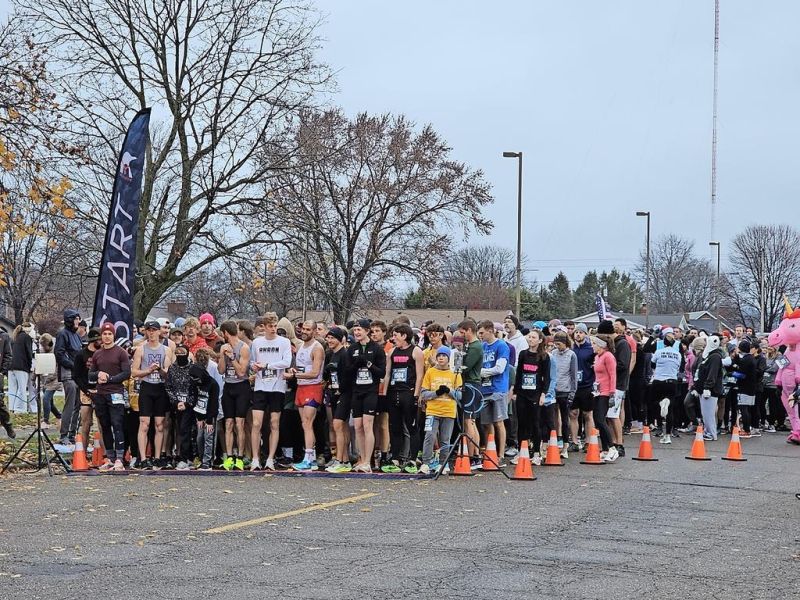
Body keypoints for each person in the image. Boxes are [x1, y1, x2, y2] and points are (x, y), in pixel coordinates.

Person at [249, 313, 293, 471]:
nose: (273, 329)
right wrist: (254, 367)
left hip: (277, 387)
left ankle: (270, 459)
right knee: (256, 423)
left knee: (274, 423)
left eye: (275, 326)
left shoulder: (284, 342)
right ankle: (255, 458)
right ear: (264, 327)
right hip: (261, 386)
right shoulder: (257, 342)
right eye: (270, 326)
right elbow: (253, 361)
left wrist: (267, 365)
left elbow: (286, 362)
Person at [130, 320, 174, 469]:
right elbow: (134, 372)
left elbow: (168, 374)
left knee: (160, 425)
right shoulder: (141, 349)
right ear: (146, 332)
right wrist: (148, 371)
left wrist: (160, 369)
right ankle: (143, 458)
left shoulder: (166, 350)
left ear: (159, 332)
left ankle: (157, 456)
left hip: (160, 389)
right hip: (147, 388)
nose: (151, 333)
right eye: (149, 330)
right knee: (144, 424)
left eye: (154, 330)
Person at [87, 322, 131, 471]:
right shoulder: (97, 354)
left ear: (114, 335)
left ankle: (120, 458)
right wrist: (98, 374)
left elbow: (126, 373)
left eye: (109, 334)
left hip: (116, 392)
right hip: (101, 394)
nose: (106, 337)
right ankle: (110, 458)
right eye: (104, 334)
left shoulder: (120, 352)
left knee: (117, 424)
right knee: (105, 425)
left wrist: (110, 379)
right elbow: (90, 374)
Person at [382, 323, 425, 473]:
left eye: (396, 335)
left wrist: (416, 395)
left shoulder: (416, 351)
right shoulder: (392, 352)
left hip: (409, 392)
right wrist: (384, 393)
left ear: (404, 336)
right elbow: (387, 374)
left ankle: (413, 458)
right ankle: (395, 457)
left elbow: (420, 375)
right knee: (395, 427)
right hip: (394, 392)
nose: (393, 338)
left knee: (412, 427)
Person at [346, 319, 386, 473]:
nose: (356, 333)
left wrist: (368, 364)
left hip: (370, 391)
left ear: (367, 331)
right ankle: (361, 459)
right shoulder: (352, 349)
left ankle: (368, 461)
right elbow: (348, 372)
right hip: (357, 391)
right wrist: (356, 365)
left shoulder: (376, 349)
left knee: (367, 425)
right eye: (355, 330)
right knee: (357, 426)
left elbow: (382, 372)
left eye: (359, 330)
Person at [285, 320, 325, 471]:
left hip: (313, 387)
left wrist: (295, 375)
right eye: (303, 329)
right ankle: (311, 457)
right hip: (301, 387)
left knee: (308, 423)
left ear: (314, 331)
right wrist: (294, 372)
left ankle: (308, 459)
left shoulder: (317, 348)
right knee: (304, 424)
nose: (305, 331)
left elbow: (315, 372)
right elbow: (299, 367)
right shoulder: (301, 346)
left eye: (308, 329)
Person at [512, 329, 554, 466]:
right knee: (522, 423)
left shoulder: (544, 357)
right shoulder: (523, 354)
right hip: (522, 393)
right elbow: (519, 373)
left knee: (535, 423)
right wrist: (515, 391)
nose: (530, 339)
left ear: (540, 340)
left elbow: (547, 377)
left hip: (535, 393)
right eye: (529, 337)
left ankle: (537, 453)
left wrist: (543, 394)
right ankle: (522, 451)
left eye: (534, 337)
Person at [419, 345, 461, 474]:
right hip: (432, 410)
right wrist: (436, 393)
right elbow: (424, 393)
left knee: (445, 439)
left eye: (444, 356)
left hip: (448, 411)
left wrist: (449, 391)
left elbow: (460, 396)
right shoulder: (431, 372)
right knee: (430, 436)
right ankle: (426, 462)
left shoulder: (454, 374)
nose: (441, 358)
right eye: (439, 356)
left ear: (449, 358)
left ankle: (444, 463)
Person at [218, 320, 251, 470]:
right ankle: (229, 456)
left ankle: (240, 456)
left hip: (241, 387)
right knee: (228, 423)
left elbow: (242, 372)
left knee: (240, 423)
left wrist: (232, 357)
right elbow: (220, 370)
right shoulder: (224, 347)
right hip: (228, 386)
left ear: (225, 333)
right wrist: (222, 356)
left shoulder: (243, 348)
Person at [477, 319, 510, 466]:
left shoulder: (501, 346)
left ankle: (501, 453)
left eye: (482, 332)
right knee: (486, 423)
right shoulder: (482, 346)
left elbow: (500, 368)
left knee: (498, 421)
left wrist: (482, 372)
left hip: (498, 388)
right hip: (484, 389)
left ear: (490, 330)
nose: (481, 335)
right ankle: (491, 450)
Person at [324, 327, 352, 473]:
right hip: (333, 393)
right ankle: (345, 460)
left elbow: (348, 375)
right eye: (328, 338)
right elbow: (327, 374)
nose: (329, 341)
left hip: (344, 393)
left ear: (341, 339)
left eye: (332, 338)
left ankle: (340, 460)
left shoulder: (344, 354)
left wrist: (341, 389)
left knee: (338, 424)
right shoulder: (330, 354)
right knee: (342, 426)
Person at [54, 309, 83, 445]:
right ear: (70, 319)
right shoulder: (62, 334)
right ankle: (63, 434)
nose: (78, 321)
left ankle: (72, 433)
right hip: (68, 374)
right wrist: (73, 365)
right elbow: (59, 354)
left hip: (77, 374)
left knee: (78, 404)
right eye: (76, 318)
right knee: (70, 404)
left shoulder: (76, 336)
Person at [457, 319, 484, 467]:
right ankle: (475, 455)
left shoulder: (475, 347)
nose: (461, 336)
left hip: (471, 384)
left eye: (462, 332)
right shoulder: (470, 346)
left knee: (469, 421)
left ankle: (473, 455)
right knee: (471, 421)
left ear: (468, 330)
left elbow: (465, 367)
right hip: (469, 384)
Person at [649, 328, 682, 444]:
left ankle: (659, 427)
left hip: (658, 380)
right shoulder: (678, 354)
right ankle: (668, 435)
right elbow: (679, 367)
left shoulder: (659, 352)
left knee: (655, 403)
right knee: (671, 410)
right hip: (672, 381)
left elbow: (652, 364)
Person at [165, 345, 195, 469]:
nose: (180, 355)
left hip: (190, 405)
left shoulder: (193, 368)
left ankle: (187, 457)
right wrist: (176, 401)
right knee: (176, 430)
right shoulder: (172, 368)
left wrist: (187, 403)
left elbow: (196, 388)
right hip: (175, 405)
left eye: (183, 352)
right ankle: (176, 456)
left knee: (187, 430)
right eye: (178, 353)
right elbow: (168, 387)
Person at [71, 327, 102, 450]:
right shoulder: (81, 355)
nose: (102, 341)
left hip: (100, 391)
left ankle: (104, 455)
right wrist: (86, 390)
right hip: (85, 391)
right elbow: (76, 375)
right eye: (99, 339)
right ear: (94, 340)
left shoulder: (103, 353)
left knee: (102, 424)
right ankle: (82, 452)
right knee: (86, 423)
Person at [190, 349, 220, 471]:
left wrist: (208, 420)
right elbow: (196, 400)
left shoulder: (213, 384)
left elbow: (213, 404)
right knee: (199, 438)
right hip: (200, 415)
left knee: (209, 438)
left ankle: (208, 461)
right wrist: (199, 418)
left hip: (210, 416)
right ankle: (201, 458)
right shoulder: (196, 384)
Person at [590, 334, 618, 462]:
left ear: (601, 345)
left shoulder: (608, 356)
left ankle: (612, 448)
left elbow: (613, 375)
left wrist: (612, 393)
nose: (592, 346)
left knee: (601, 420)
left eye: (594, 344)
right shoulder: (597, 357)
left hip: (606, 392)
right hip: (597, 392)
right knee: (597, 420)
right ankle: (605, 448)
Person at [550, 331, 577, 458]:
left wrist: (572, 392)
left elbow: (573, 376)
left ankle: (566, 444)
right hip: (554, 390)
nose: (557, 346)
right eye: (555, 344)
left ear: (565, 343)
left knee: (565, 418)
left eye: (559, 344)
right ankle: (556, 440)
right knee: (553, 417)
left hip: (565, 390)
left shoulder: (571, 355)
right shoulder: (553, 354)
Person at [693, 335, 725, 441]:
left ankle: (711, 433)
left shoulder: (715, 357)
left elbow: (713, 373)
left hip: (710, 390)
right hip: (703, 388)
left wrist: (708, 387)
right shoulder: (707, 355)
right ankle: (708, 431)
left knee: (709, 413)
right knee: (705, 413)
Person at [570, 323, 595, 451]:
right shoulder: (571, 349)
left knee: (587, 414)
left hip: (587, 385)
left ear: (585, 334)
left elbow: (595, 367)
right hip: (574, 386)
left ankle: (588, 441)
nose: (578, 334)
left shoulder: (591, 349)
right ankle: (574, 441)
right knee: (573, 413)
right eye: (576, 332)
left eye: (581, 332)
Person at [730, 340, 759, 438]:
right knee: (747, 408)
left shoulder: (746, 360)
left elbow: (742, 374)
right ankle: (748, 428)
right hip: (751, 387)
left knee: (744, 408)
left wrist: (732, 373)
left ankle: (746, 430)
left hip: (745, 387)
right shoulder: (750, 358)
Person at [37, 334, 63, 427]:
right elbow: (38, 365)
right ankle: (59, 416)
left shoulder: (55, 352)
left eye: (45, 345)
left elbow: (56, 369)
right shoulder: (41, 351)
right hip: (45, 380)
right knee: (49, 403)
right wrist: (34, 378)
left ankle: (46, 421)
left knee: (46, 398)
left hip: (54, 380)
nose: (43, 348)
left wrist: (48, 379)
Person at [9, 323, 34, 413]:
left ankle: (11, 407)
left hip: (11, 366)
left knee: (12, 388)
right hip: (22, 366)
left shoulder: (14, 337)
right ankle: (19, 409)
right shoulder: (27, 338)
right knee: (21, 388)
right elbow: (29, 353)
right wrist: (31, 365)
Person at [0, 326, 14, 438]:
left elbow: (8, 355)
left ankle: (7, 425)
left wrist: (2, 372)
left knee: (0, 403)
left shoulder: (4, 336)